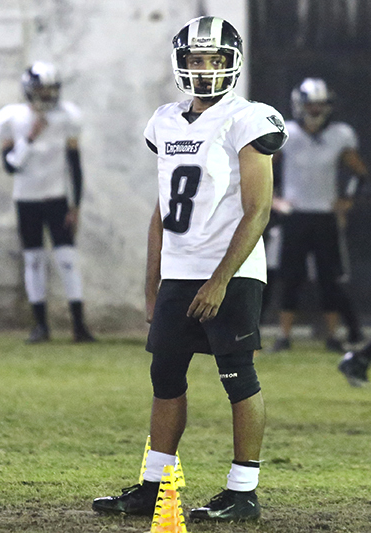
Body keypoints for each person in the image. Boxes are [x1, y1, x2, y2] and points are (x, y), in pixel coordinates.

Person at [92, 16, 287, 522]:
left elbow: (258, 209)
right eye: (196, 60)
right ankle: (155, 485)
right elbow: (160, 213)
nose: (204, 70)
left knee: (237, 375)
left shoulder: (249, 118)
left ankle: (243, 490)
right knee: (165, 374)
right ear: (181, 64)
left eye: (215, 60)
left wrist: (220, 279)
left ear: (232, 64)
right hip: (179, 271)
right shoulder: (164, 121)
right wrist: (151, 285)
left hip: (232, 270)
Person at [0, 62, 96, 344]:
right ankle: (40, 326)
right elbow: (11, 165)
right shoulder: (11, 118)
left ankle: (79, 325)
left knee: (67, 260)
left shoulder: (67, 117)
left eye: (51, 89)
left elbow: (74, 164)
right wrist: (30, 137)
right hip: (26, 200)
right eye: (41, 89)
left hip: (57, 198)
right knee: (34, 260)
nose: (47, 95)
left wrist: (76, 206)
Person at [271, 78, 368, 353]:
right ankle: (283, 335)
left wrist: (347, 200)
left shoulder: (340, 134)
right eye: (310, 105)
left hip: (325, 215)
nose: (314, 110)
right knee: (290, 276)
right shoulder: (286, 133)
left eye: (319, 105)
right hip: (295, 214)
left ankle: (332, 335)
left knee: (330, 278)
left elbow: (359, 173)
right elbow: (263, 169)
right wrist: (274, 199)